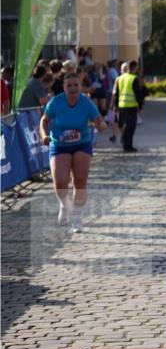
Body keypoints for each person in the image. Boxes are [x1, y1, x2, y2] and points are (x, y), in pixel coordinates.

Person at [39, 69, 106, 231]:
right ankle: (64, 204)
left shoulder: (86, 103)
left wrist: (101, 124)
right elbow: (44, 121)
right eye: (69, 85)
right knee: (60, 181)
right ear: (64, 87)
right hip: (59, 144)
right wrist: (44, 136)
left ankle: (77, 217)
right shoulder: (55, 102)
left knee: (80, 180)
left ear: (80, 86)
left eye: (76, 84)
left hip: (81, 143)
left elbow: (98, 120)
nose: (73, 88)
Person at [111, 59, 143, 153]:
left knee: (125, 125)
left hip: (121, 105)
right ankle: (128, 146)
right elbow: (138, 94)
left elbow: (116, 93)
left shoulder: (120, 78)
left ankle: (126, 145)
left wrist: (115, 106)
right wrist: (140, 106)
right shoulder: (134, 78)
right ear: (135, 68)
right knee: (131, 126)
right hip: (131, 106)